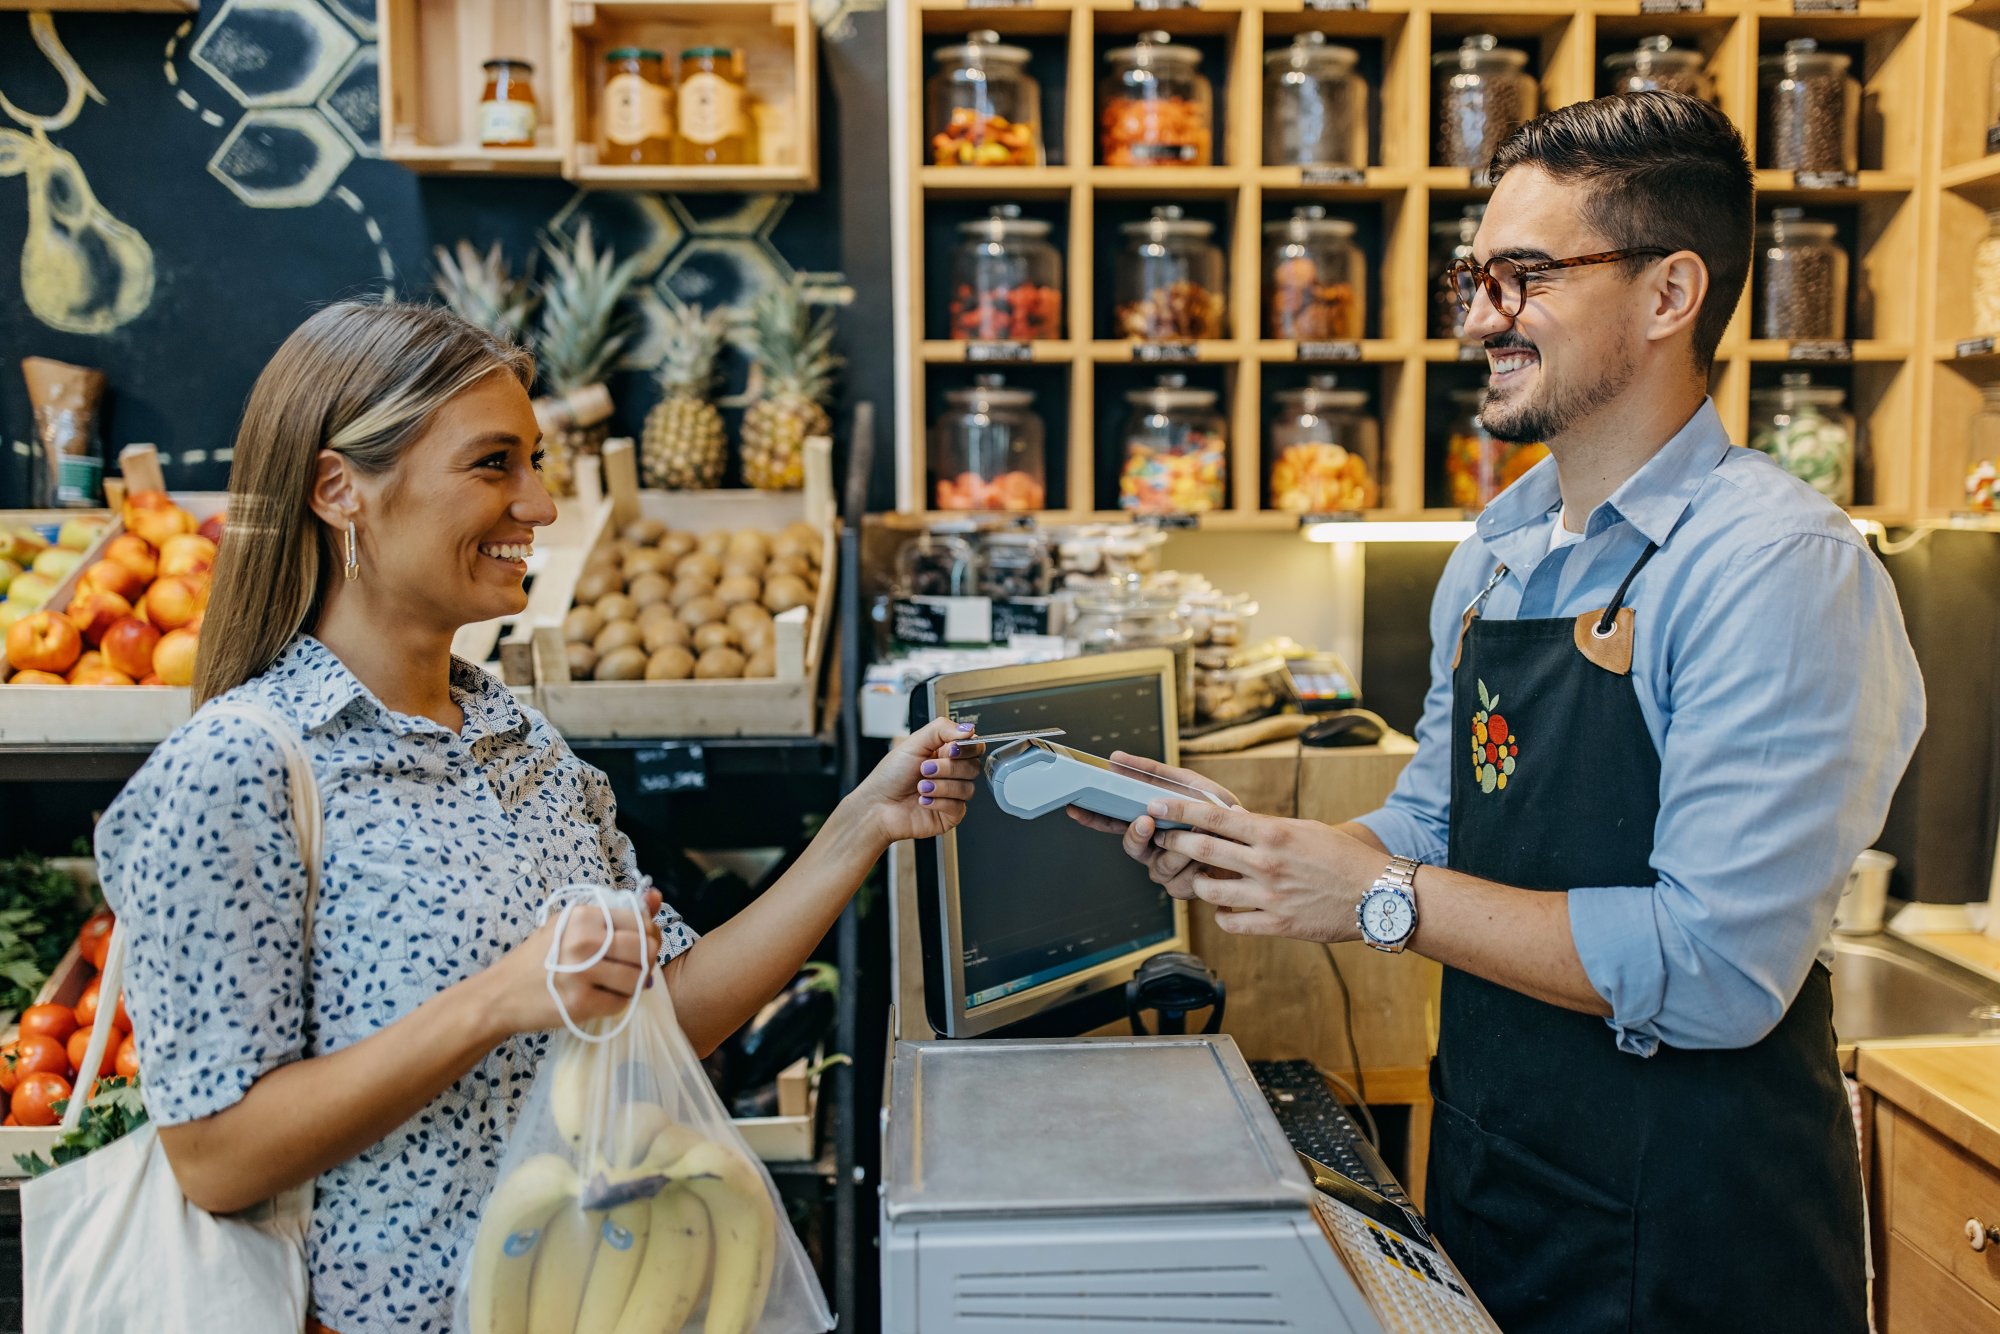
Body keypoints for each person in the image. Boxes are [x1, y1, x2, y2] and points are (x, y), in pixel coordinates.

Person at [1077, 93, 1924, 1331]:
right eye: (1472, 278)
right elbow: (1437, 821)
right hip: (1500, 1189)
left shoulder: (1774, 567)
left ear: (1668, 293)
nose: (1478, 317)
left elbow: (1714, 969)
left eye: (1523, 276)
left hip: (1695, 1241)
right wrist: (1261, 851)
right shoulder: (1498, 550)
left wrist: (1376, 897)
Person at [93, 300, 984, 1334]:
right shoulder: (239, 767)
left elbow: (661, 1017)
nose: (542, 504)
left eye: (536, 462)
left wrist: (861, 825)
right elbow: (213, 1158)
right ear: (340, 489)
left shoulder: (513, 735)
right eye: (493, 464)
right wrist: (495, 1001)